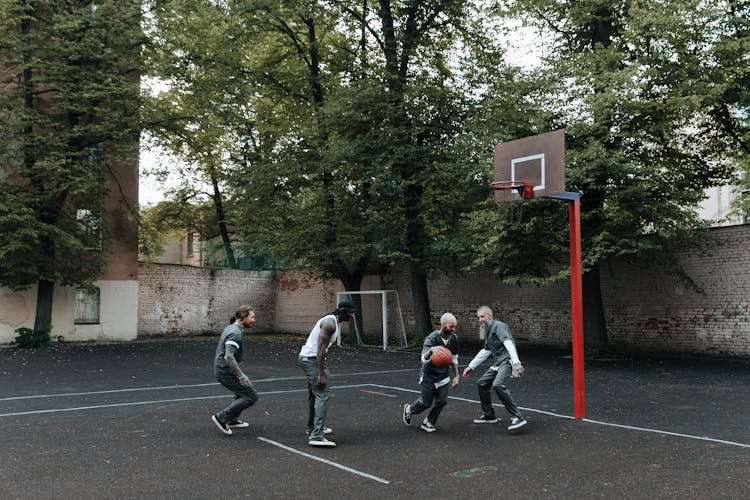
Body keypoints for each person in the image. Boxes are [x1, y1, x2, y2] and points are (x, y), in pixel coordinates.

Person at [299, 300, 357, 447]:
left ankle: (312, 428)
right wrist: (320, 374)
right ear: (343, 310)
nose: (352, 316)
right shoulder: (330, 324)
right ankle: (317, 436)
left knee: (315, 394)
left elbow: (322, 350)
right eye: (351, 312)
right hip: (311, 360)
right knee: (323, 394)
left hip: (309, 358)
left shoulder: (332, 321)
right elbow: (319, 349)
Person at [462, 305, 527, 432]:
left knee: (497, 384)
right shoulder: (487, 330)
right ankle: (489, 415)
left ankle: (517, 417)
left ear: (489, 316)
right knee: (482, 383)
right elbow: (486, 351)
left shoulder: (499, 326)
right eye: (478, 317)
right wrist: (471, 366)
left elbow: (508, 343)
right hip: (498, 363)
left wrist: (516, 363)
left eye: (482, 316)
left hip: (507, 361)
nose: (480, 319)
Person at [402, 312, 460, 433]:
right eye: (451, 326)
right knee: (425, 402)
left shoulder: (454, 339)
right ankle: (409, 409)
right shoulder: (431, 338)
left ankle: (429, 421)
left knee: (442, 401)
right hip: (429, 375)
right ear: (443, 325)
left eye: (455, 326)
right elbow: (423, 359)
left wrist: (457, 375)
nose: (453, 329)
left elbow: (454, 357)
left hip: (443, 376)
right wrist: (430, 351)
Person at [211, 306, 259, 436]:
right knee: (251, 396)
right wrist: (241, 375)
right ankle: (222, 417)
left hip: (224, 370)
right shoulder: (235, 333)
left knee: (241, 392)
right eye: (252, 317)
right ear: (243, 318)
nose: (254, 320)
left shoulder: (232, 327)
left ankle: (232, 419)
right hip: (225, 372)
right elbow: (229, 356)